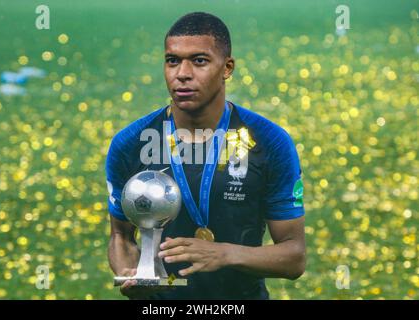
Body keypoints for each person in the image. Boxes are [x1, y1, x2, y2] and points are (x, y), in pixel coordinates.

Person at [106, 12, 306, 300]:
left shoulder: (270, 142)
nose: (182, 73)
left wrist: (224, 254)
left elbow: (294, 256)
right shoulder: (130, 143)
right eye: (172, 60)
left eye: (199, 61)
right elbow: (121, 236)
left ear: (227, 68)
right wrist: (131, 272)